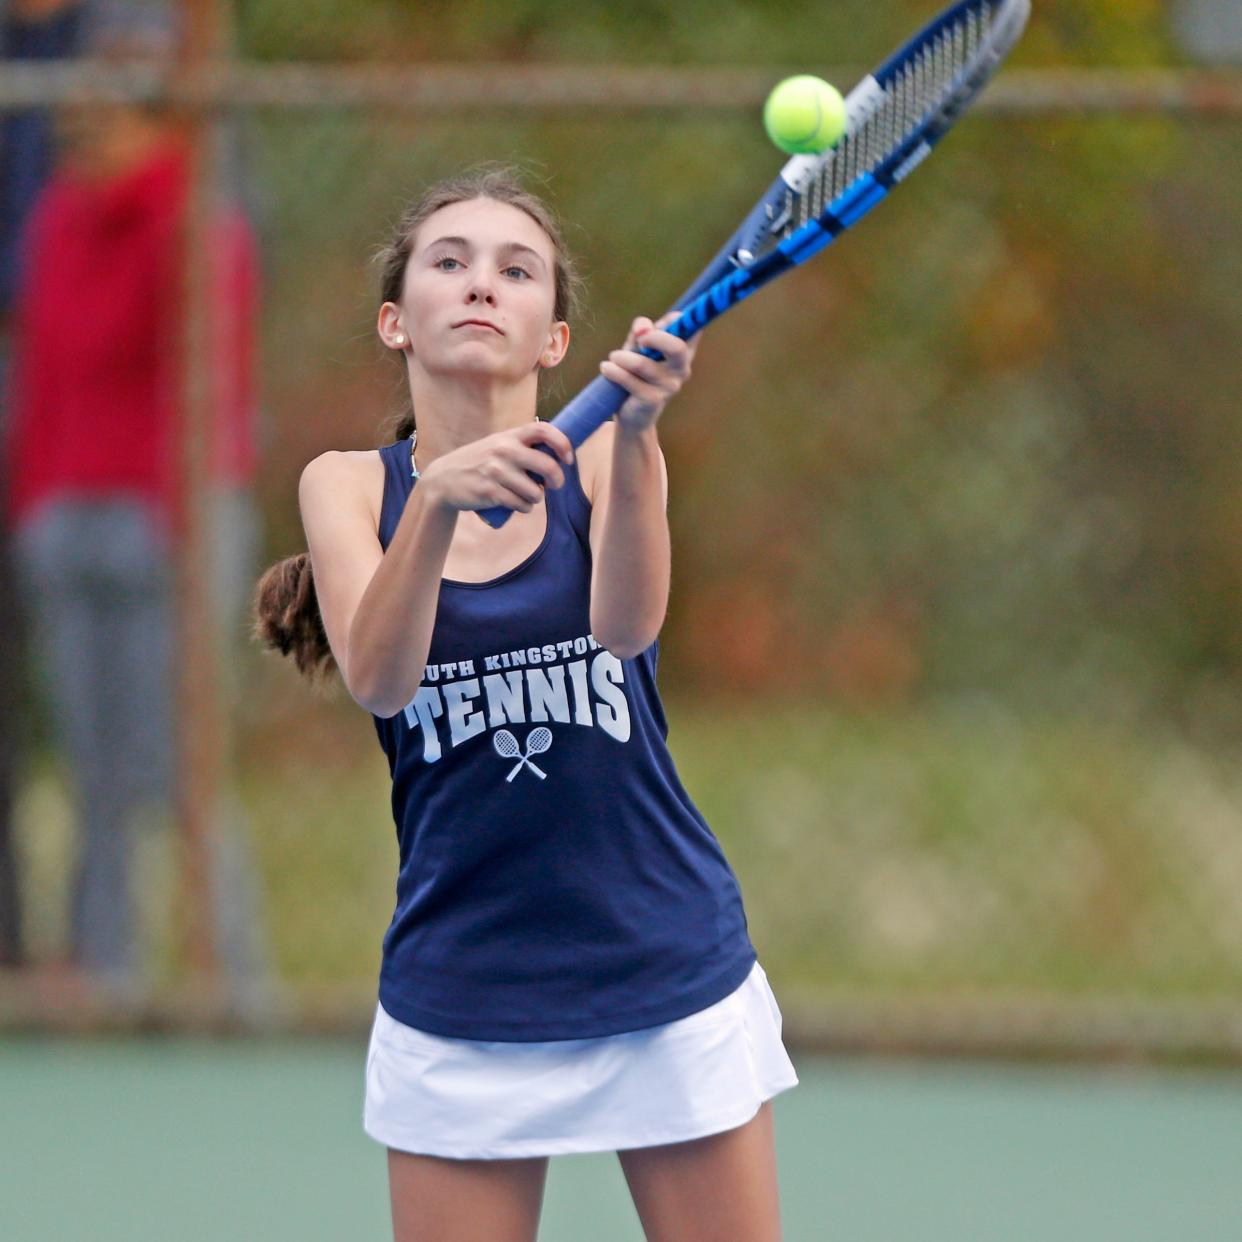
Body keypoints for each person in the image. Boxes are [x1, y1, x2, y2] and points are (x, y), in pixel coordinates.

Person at [253, 166, 798, 1242]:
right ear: (395, 320)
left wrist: (640, 436)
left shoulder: (602, 450)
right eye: (447, 263)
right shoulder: (349, 487)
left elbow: (630, 627)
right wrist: (440, 507)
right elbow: (379, 676)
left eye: (517, 270)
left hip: (661, 960)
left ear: (555, 339)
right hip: (466, 987)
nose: (480, 285)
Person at [4, 3, 274, 1015]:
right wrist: (36, 509)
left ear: (162, 123)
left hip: (167, 524)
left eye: (108, 117)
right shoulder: (57, 220)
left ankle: (240, 991)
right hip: (68, 524)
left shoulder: (196, 219)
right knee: (92, 775)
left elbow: (202, 385)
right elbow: (47, 370)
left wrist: (184, 521)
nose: (84, 136)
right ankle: (105, 984)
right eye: (76, 120)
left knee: (179, 771)